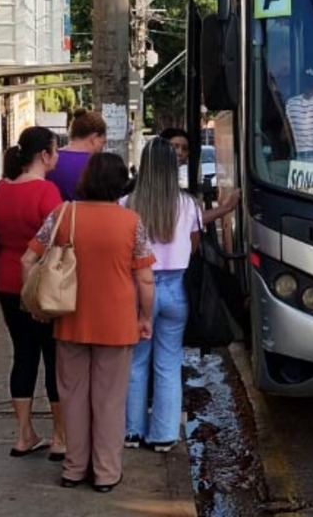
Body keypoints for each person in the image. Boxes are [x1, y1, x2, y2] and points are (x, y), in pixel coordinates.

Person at [22, 152, 156, 493]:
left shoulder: (63, 214)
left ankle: (73, 469)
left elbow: (28, 259)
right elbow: (145, 279)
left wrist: (37, 304)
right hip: (117, 322)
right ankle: (106, 474)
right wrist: (144, 317)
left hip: (69, 320)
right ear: (120, 183)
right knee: (110, 401)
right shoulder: (131, 222)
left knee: (74, 398)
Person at [0, 126, 66, 461]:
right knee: (53, 358)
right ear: (44, 156)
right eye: (55, 150)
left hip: (7, 280)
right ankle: (60, 438)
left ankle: (23, 434)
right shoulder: (47, 193)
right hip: (43, 283)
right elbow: (61, 240)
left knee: (22, 355)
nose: (57, 157)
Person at [122, 138, 201, 452]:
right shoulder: (188, 204)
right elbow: (194, 247)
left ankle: (133, 431)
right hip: (176, 287)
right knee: (168, 363)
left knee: (136, 362)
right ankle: (165, 435)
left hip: (137, 290)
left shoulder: (126, 203)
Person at [157, 127, 240, 225]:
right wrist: (227, 207)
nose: (180, 153)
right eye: (175, 147)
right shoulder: (157, 179)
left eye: (184, 148)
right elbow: (191, 219)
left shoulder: (169, 177)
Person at [47, 108, 107, 201]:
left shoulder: (50, 159)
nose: (102, 147)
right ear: (94, 138)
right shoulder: (97, 165)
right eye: (103, 142)